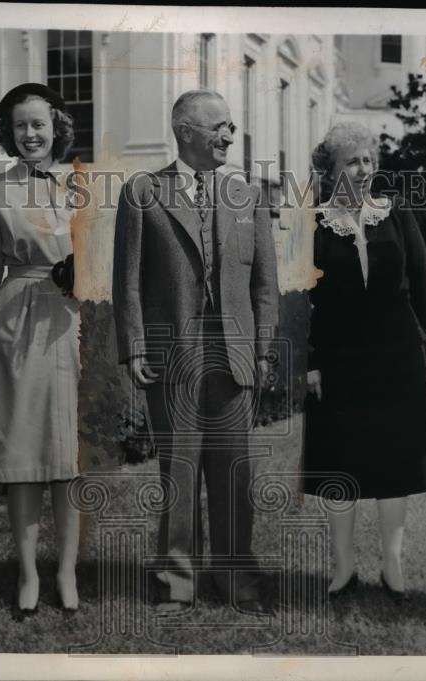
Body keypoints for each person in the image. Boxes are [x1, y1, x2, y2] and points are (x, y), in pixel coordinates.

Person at [112, 90, 279, 615]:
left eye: (231, 127)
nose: (230, 136)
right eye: (220, 128)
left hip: (234, 355)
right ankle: (175, 584)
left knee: (235, 472)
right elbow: (129, 281)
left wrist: (265, 350)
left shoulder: (247, 196)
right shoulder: (143, 192)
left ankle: (236, 579)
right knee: (178, 470)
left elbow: (265, 286)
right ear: (186, 131)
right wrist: (136, 346)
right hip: (173, 355)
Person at [301, 122, 426, 602]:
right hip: (338, 358)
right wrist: (310, 362)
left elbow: (423, 284)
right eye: (351, 162)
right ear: (331, 170)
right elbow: (301, 300)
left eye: (367, 160)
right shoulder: (314, 222)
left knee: (395, 461)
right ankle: (343, 568)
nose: (362, 170)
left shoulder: (395, 214)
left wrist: (423, 348)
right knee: (340, 462)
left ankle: (393, 565)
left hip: (396, 354)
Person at [0, 83, 81, 618]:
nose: (31, 134)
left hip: (74, 321)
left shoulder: (85, 186)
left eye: (39, 124)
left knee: (68, 458)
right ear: (8, 134)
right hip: (18, 319)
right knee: (23, 452)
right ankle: (29, 572)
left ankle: (67, 572)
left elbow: (108, 260)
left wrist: (89, 273)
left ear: (56, 126)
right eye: (20, 126)